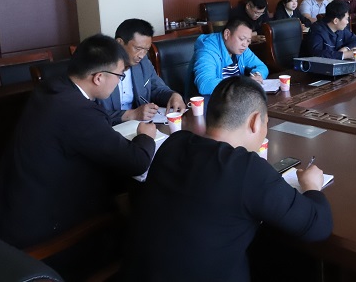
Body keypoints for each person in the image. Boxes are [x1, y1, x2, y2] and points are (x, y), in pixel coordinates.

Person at [120, 77, 333, 282]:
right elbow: (318, 226)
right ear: (255, 121)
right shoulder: (247, 168)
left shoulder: (175, 142)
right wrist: (312, 186)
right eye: (266, 123)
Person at [0, 34, 156, 270]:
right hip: (40, 238)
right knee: (136, 227)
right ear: (98, 77)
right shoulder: (78, 112)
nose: (119, 82)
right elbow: (137, 162)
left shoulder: (52, 87)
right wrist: (145, 136)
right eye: (120, 76)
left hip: (7, 212)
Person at [97, 18, 185, 125]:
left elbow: (156, 88)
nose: (141, 55)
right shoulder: (98, 68)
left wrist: (173, 96)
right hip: (108, 129)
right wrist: (131, 114)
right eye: (138, 48)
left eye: (146, 50)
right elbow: (89, 113)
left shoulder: (143, 63)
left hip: (140, 126)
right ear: (119, 43)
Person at [192, 18, 269, 96]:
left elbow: (261, 66)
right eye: (241, 39)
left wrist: (257, 75)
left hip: (236, 97)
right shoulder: (208, 49)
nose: (245, 44)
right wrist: (243, 84)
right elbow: (205, 84)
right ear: (227, 34)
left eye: (248, 41)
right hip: (214, 100)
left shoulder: (242, 49)